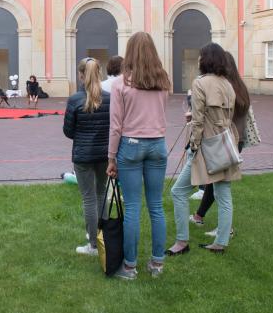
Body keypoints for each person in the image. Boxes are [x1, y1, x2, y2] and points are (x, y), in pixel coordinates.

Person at [106, 32, 171, 279]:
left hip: (130, 145)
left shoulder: (121, 84)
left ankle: (130, 267)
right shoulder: (164, 81)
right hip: (157, 144)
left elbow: (116, 125)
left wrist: (111, 158)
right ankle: (157, 264)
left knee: (132, 207)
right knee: (156, 206)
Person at [167, 43, 240, 255]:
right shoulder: (228, 84)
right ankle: (221, 242)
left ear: (205, 60)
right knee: (223, 194)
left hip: (207, 145)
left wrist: (193, 146)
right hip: (226, 142)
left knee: (178, 191)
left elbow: (198, 120)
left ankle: (182, 242)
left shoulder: (200, 83)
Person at [190, 51, 249, 238]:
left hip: (223, 140)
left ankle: (224, 228)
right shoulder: (237, 87)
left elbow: (214, 116)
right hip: (233, 139)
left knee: (220, 187)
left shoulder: (226, 87)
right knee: (218, 185)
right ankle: (202, 216)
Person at [63, 58, 110, 256]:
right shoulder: (109, 98)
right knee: (101, 195)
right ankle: (104, 237)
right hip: (105, 153)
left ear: (81, 75)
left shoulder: (75, 99)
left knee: (89, 198)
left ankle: (93, 243)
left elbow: (68, 130)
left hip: (83, 154)